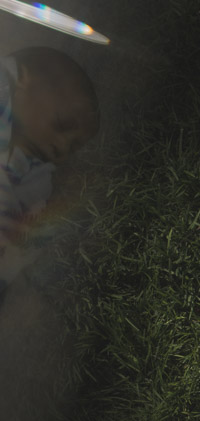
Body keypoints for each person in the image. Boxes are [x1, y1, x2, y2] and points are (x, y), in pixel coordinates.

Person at [0, 46, 99, 294]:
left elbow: (30, 233)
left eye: (74, 147)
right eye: (63, 124)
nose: (64, 145)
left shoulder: (37, 178)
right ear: (23, 80)